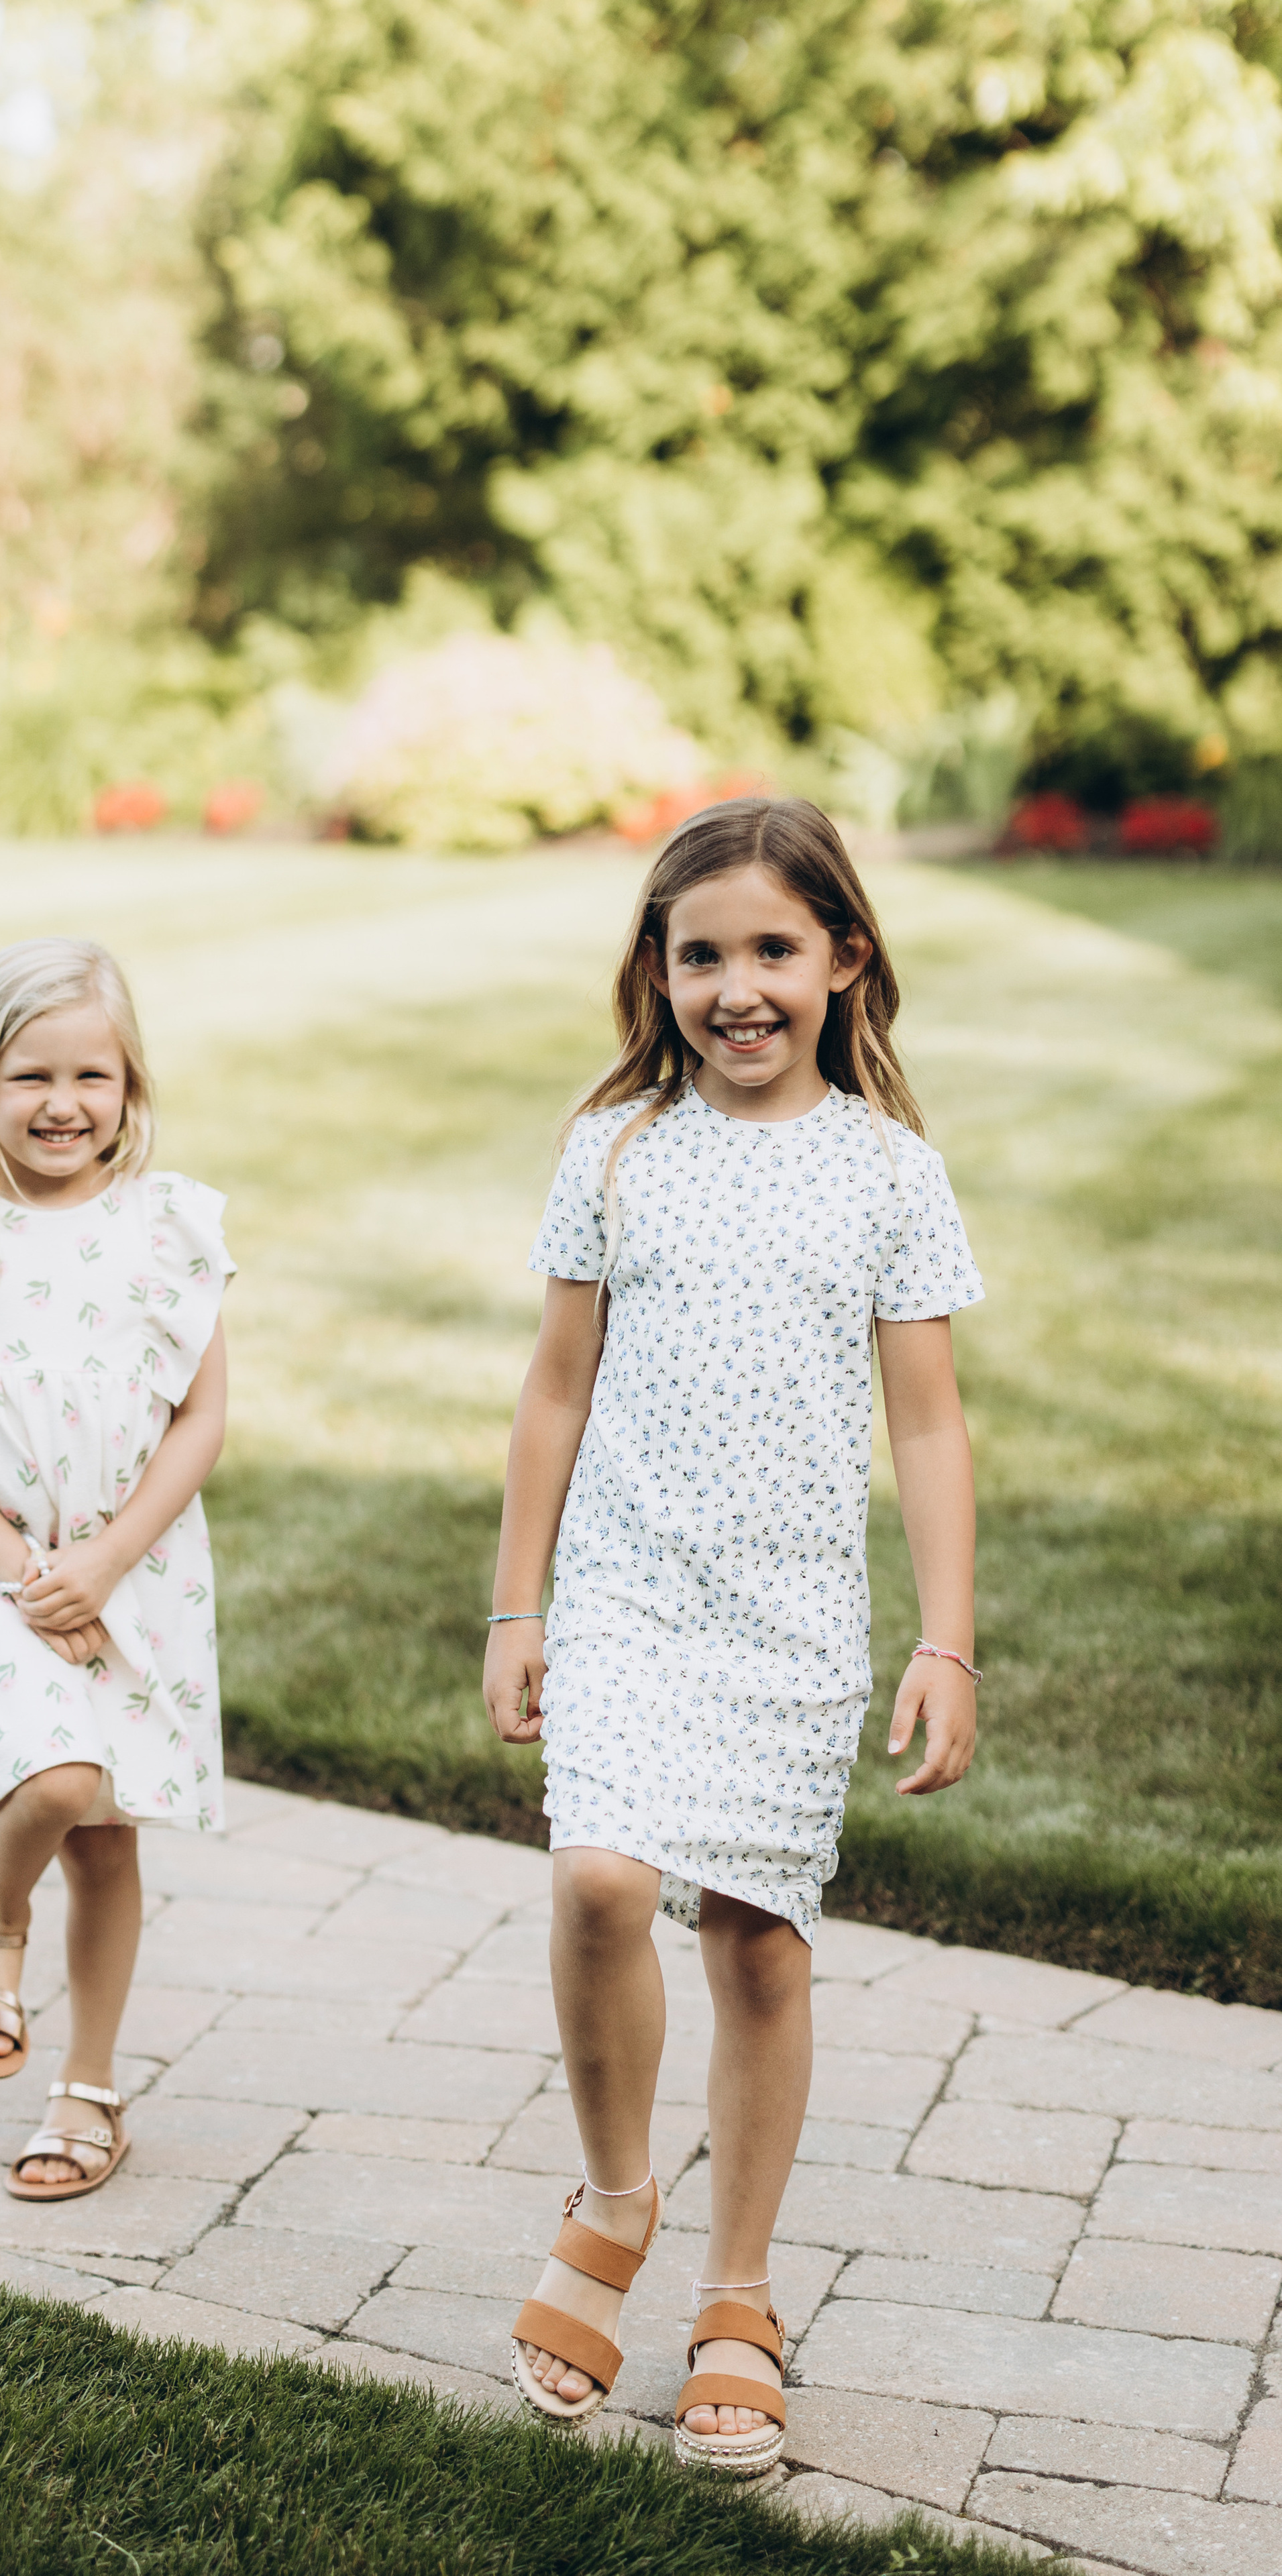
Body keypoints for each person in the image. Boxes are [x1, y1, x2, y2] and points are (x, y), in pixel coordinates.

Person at [485, 798, 983, 2469]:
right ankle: (614, 2198)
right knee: (599, 1878)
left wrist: (946, 1638)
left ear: (843, 959)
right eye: (699, 953)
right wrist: (517, 1603)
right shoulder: (613, 1152)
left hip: (789, 1624)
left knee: (757, 1947)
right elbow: (552, 1391)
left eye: (774, 948)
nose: (736, 986)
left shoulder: (888, 1174)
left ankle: (737, 2292)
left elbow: (925, 1428)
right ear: (658, 969)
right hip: (628, 1595)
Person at [0, 936, 231, 2203]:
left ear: (132, 1088)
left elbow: (200, 1416)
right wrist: (25, 1571)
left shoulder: (167, 1226)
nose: (64, 1103)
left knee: (108, 1833)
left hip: (127, 1566)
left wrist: (108, 1560)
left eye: (96, 1076)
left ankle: (88, 2089)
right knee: (58, 1777)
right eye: (32, 1075)